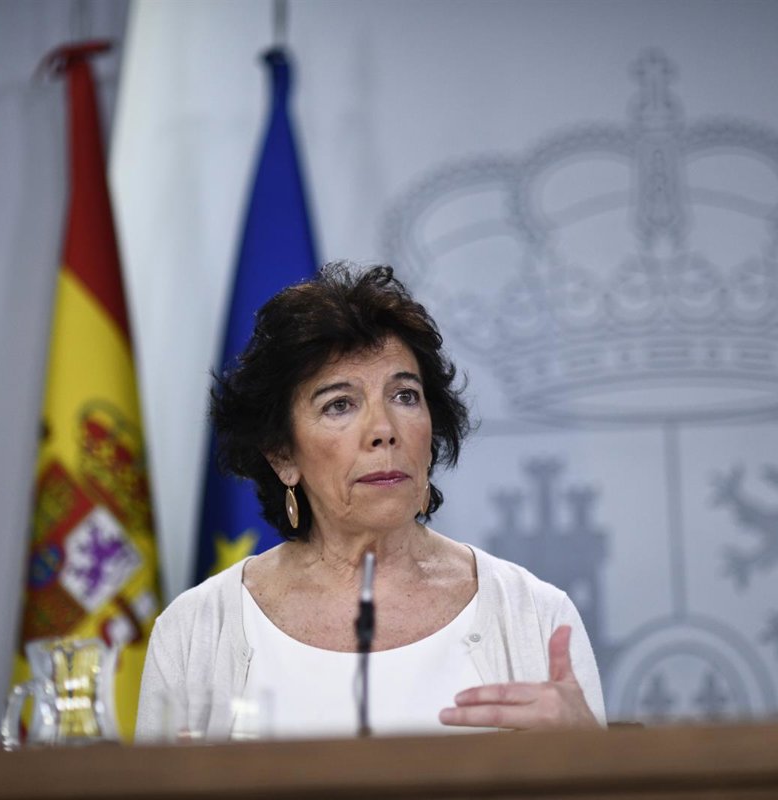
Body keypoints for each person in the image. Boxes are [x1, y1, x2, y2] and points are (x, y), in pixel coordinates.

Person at [137, 263, 605, 739]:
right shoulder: (196, 631)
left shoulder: (533, 617)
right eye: (339, 404)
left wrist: (585, 751)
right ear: (282, 455)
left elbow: (602, 778)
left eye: (405, 396)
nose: (384, 430)